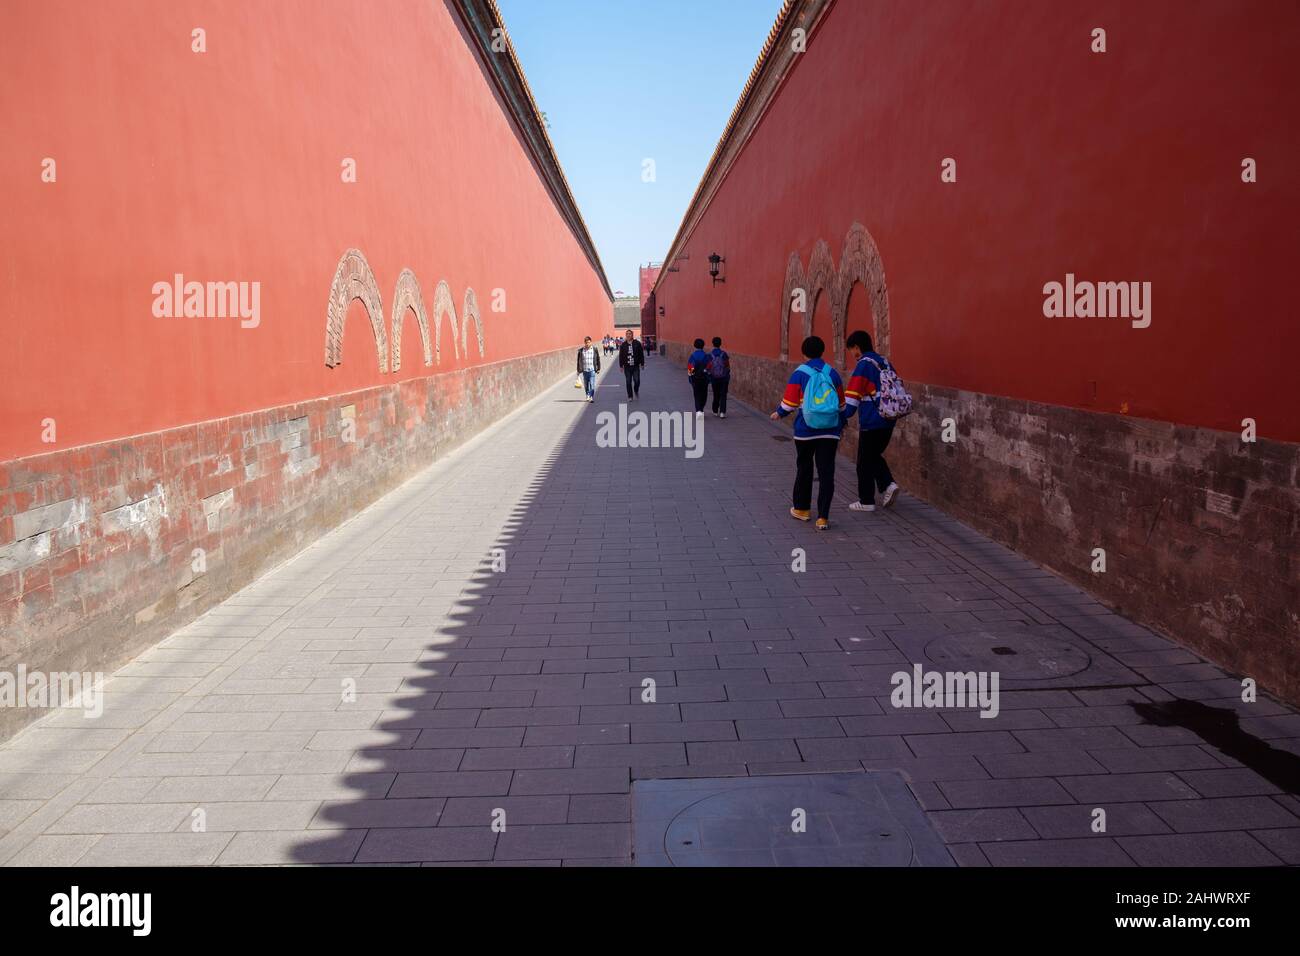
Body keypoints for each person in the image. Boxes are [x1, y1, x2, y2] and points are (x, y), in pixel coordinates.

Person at [770, 335, 845, 531]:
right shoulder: (833, 373)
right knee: (826, 471)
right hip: (830, 430)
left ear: (803, 353)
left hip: (806, 430)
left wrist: (779, 413)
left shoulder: (799, 373)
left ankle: (802, 509)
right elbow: (842, 405)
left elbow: (790, 403)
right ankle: (823, 517)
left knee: (804, 467)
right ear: (822, 351)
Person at [843, 329, 901, 511]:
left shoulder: (864, 365)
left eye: (851, 350)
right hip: (889, 417)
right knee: (872, 455)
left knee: (864, 460)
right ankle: (886, 486)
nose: (852, 354)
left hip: (872, 419)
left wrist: (842, 415)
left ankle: (868, 500)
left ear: (857, 347)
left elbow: (852, 397)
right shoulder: (884, 362)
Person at [686, 338, 712, 417]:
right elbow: (709, 367)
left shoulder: (693, 356)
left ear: (695, 345)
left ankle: (698, 411)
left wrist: (690, 378)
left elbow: (690, 368)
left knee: (696, 394)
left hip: (695, 379)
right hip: (704, 379)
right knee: (704, 394)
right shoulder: (706, 356)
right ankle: (701, 408)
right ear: (703, 346)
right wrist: (709, 377)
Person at [707, 336, 730, 418]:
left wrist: (709, 376)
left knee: (716, 394)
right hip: (724, 378)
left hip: (714, 378)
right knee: (723, 395)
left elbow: (708, 367)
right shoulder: (724, 354)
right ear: (720, 344)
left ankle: (715, 410)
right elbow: (727, 366)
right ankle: (722, 412)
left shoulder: (710, 355)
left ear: (713, 344)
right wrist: (727, 375)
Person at [618, 329, 644, 401]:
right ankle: (630, 396)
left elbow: (641, 354)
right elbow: (621, 356)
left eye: (630, 334)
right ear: (626, 335)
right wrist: (621, 366)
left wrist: (642, 364)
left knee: (637, 380)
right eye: (627, 334)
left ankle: (636, 390)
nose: (628, 335)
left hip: (635, 366)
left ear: (632, 335)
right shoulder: (623, 345)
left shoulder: (637, 343)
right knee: (628, 381)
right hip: (627, 367)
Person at [576, 335, 600, 402]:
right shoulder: (581, 351)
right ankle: (587, 395)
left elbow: (598, 359)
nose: (587, 344)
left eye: (589, 342)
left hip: (592, 370)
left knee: (592, 385)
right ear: (584, 342)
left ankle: (591, 397)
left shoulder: (594, 349)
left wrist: (598, 368)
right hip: (585, 370)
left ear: (591, 342)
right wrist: (578, 370)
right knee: (586, 385)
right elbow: (578, 361)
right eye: (586, 342)